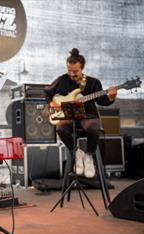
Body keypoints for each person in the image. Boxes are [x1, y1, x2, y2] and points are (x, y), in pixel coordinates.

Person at [44, 48, 117, 178]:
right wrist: (52, 104)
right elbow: (47, 92)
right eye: (69, 71)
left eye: (75, 71)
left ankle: (89, 155)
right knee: (60, 129)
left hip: (88, 116)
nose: (72, 74)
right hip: (69, 116)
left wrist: (111, 97)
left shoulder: (93, 82)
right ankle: (76, 153)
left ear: (82, 68)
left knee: (94, 129)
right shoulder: (62, 80)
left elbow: (102, 101)